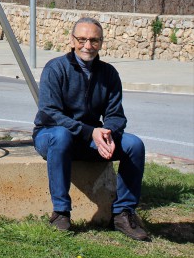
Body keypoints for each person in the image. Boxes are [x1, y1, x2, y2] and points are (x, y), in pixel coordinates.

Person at [33, 17, 150, 241]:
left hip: (89, 139)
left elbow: (116, 115)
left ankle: (123, 213)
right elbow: (51, 113)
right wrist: (90, 132)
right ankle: (61, 212)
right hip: (51, 135)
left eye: (94, 40)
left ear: (101, 43)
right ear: (71, 40)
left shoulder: (109, 73)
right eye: (82, 39)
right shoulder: (55, 69)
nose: (88, 45)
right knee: (61, 135)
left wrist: (108, 133)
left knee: (134, 145)